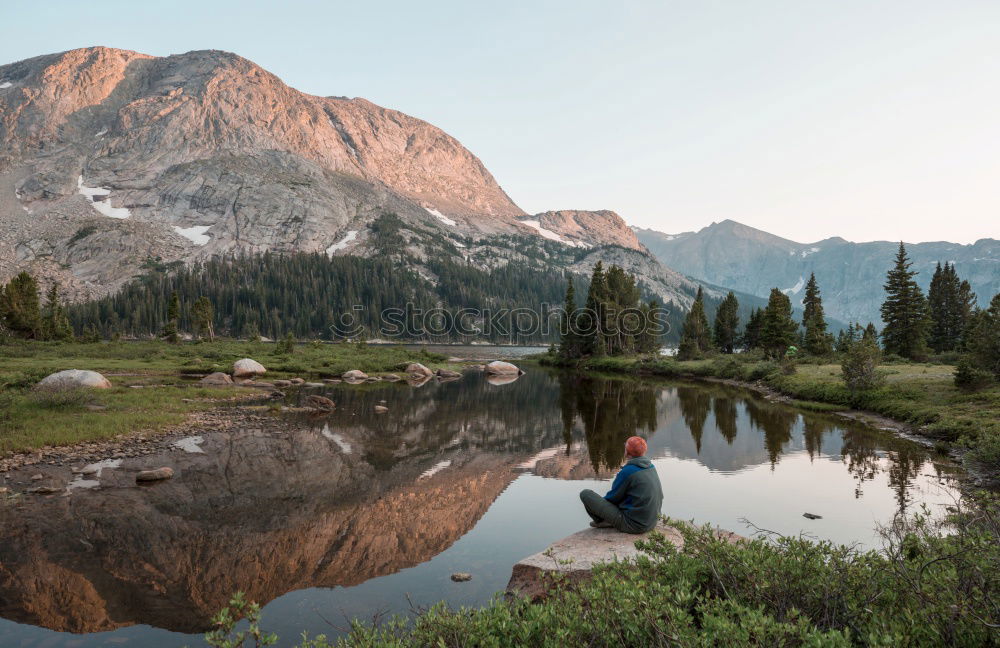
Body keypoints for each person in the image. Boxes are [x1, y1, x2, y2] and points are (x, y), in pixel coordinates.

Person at [579, 436, 663, 534]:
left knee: (586, 494)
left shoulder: (628, 471)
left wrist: (602, 508)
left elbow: (612, 498)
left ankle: (603, 521)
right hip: (652, 522)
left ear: (627, 453)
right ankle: (611, 520)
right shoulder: (651, 467)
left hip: (634, 525)